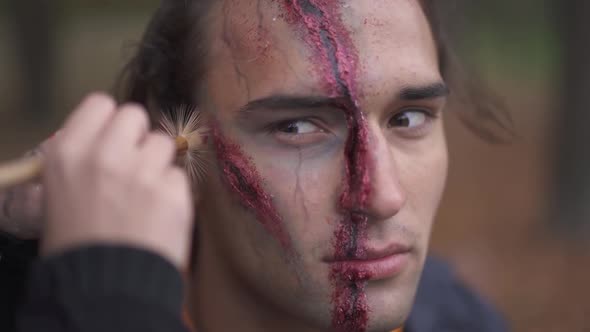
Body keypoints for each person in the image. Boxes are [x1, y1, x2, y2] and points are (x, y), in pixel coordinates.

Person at [0, 1, 509, 331]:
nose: (383, 196)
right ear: (175, 144)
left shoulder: (462, 319)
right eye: (297, 127)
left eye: (409, 116)